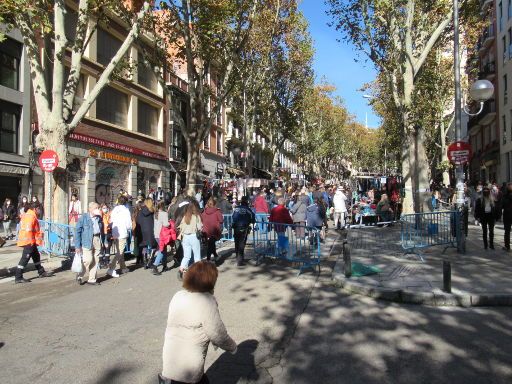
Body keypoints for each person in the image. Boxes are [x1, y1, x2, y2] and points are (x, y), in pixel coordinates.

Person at [160, 261, 236, 384]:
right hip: (189, 368)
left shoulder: (178, 296)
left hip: (170, 362)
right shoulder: (206, 301)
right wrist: (232, 347)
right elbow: (217, 333)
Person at [14, 202, 54, 283]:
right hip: (29, 241)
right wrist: (34, 240)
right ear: (35, 209)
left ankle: (41, 271)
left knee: (36, 256)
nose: (40, 211)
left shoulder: (30, 215)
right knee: (25, 259)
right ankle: (18, 277)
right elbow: (29, 230)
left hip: (31, 240)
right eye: (39, 209)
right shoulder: (31, 216)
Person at [75, 202, 103, 286]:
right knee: (88, 260)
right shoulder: (84, 218)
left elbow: (101, 229)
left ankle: (92, 279)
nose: (97, 210)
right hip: (87, 240)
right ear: (90, 209)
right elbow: (77, 231)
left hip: (97, 239)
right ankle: (80, 274)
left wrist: (104, 241)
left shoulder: (98, 218)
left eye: (98, 208)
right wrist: (77, 246)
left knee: (95, 260)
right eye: (95, 208)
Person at [108, 195, 132, 277]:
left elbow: (111, 220)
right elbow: (128, 224)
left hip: (115, 232)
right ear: (125, 202)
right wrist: (129, 228)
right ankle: (111, 268)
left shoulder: (115, 209)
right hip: (122, 232)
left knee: (119, 250)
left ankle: (123, 267)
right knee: (120, 251)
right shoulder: (126, 210)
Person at [177, 202, 203, 279]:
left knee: (186, 256)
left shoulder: (184, 216)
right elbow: (199, 227)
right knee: (197, 256)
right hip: (193, 236)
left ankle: (181, 270)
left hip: (185, 237)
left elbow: (180, 226)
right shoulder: (196, 217)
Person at [232, 196, 255, 266]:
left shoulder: (236, 209)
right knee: (242, 243)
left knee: (237, 242)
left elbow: (233, 216)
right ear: (247, 201)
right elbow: (253, 219)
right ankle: (240, 260)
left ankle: (238, 257)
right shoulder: (248, 209)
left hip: (236, 227)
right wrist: (250, 221)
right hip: (244, 227)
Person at [137, 198, 158, 269]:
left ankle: (145, 262)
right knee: (154, 246)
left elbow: (138, 221)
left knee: (144, 246)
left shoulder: (140, 211)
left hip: (142, 230)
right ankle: (150, 260)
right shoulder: (152, 211)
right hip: (151, 230)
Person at [201, 197, 223, 261]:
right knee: (210, 245)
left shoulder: (204, 212)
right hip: (214, 231)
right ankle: (208, 259)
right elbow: (221, 220)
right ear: (214, 204)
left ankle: (215, 255)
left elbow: (201, 220)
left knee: (211, 244)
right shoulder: (217, 211)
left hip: (206, 231)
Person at [153, 201, 170, 275]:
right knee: (162, 250)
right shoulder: (164, 213)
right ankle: (155, 265)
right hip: (162, 235)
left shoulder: (156, 213)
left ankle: (165, 265)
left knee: (164, 250)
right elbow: (166, 224)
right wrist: (170, 222)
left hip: (156, 234)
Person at [502, 183, 512, 252]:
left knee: (507, 231)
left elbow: (502, 205)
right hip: (508, 215)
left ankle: (507, 246)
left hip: (507, 215)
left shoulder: (505, 196)